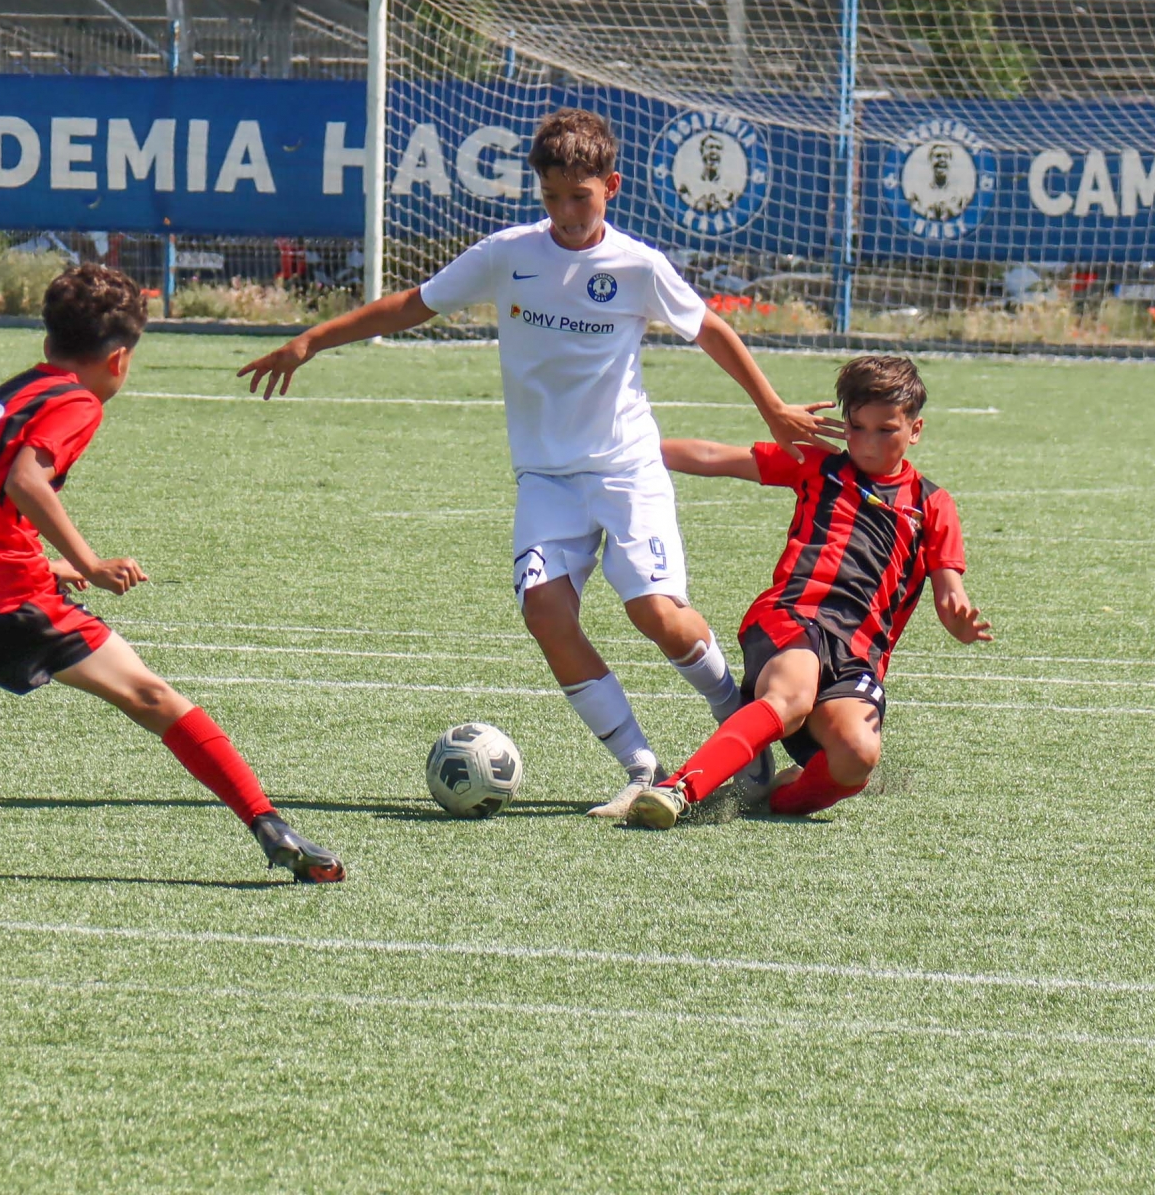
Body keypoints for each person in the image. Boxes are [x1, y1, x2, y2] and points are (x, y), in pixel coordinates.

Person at [238, 109, 833, 817]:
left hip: (626, 470)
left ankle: (736, 719)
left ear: (611, 186)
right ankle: (640, 766)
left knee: (656, 613)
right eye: (552, 197)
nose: (567, 213)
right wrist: (310, 340)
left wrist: (771, 407)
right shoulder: (507, 254)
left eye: (580, 196)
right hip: (547, 478)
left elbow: (709, 329)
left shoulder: (638, 266)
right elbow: (411, 305)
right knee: (545, 612)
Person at [0, 264, 345, 882]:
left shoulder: (19, 388)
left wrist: (43, 563)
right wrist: (90, 564)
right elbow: (24, 480)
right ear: (119, 359)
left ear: (49, 343)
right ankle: (268, 823)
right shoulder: (77, 401)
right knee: (149, 695)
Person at [626, 354, 991, 829]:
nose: (869, 443)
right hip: (795, 617)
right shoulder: (819, 466)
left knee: (857, 754)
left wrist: (958, 621)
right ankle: (679, 789)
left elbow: (949, 592)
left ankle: (777, 797)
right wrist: (627, 451)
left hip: (858, 654)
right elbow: (716, 457)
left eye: (886, 430)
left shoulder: (932, 504)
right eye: (856, 427)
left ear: (915, 429)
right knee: (793, 697)